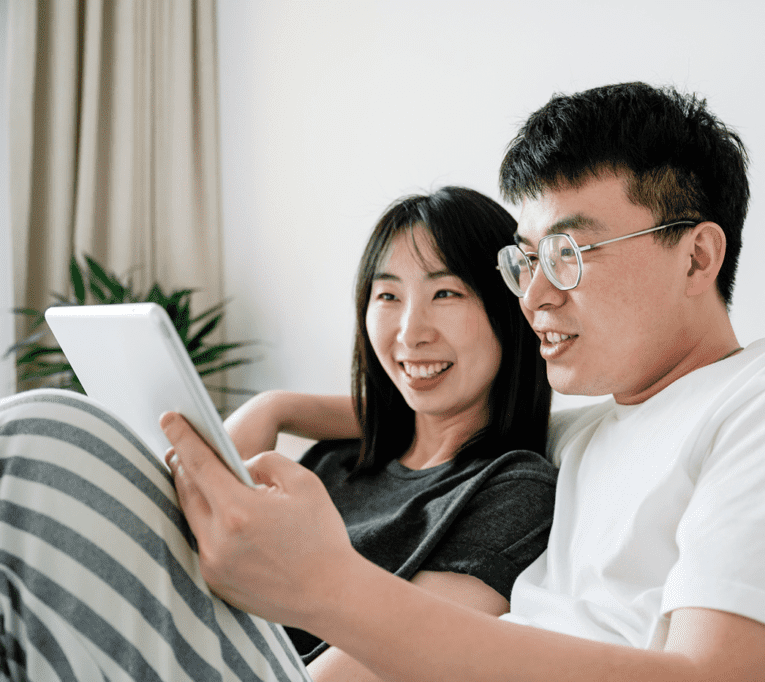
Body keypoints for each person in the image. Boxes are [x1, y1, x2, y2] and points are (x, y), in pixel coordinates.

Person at [162, 82, 765, 682]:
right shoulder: (593, 432)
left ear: (697, 255)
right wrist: (277, 408)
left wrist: (329, 589)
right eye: (525, 260)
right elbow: (440, 411)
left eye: (570, 253)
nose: (533, 294)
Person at [0, 186, 556, 681]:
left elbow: (411, 655)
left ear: (509, 311)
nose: (411, 332)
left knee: (41, 430)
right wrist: (275, 408)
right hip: (189, 629)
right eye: (387, 296)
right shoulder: (340, 459)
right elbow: (180, 531)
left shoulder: (514, 488)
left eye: (447, 294)